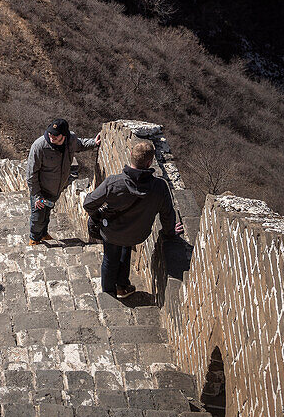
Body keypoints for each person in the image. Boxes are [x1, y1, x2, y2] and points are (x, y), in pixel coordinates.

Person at [83, 138, 184, 298]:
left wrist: (97, 217)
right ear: (150, 162)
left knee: (110, 258)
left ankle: (109, 294)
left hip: (112, 232)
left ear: (130, 154)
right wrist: (170, 232)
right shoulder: (159, 187)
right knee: (125, 246)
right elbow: (167, 215)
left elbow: (88, 204)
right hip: (137, 233)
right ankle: (122, 286)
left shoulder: (113, 183)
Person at [27, 117, 100, 245]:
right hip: (41, 191)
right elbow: (31, 174)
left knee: (47, 211)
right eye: (50, 133)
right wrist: (37, 196)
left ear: (64, 135)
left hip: (56, 189)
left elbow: (81, 144)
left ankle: (43, 234)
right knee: (38, 216)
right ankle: (34, 238)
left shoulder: (70, 140)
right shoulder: (39, 147)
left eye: (55, 135)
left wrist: (94, 142)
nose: (51, 136)